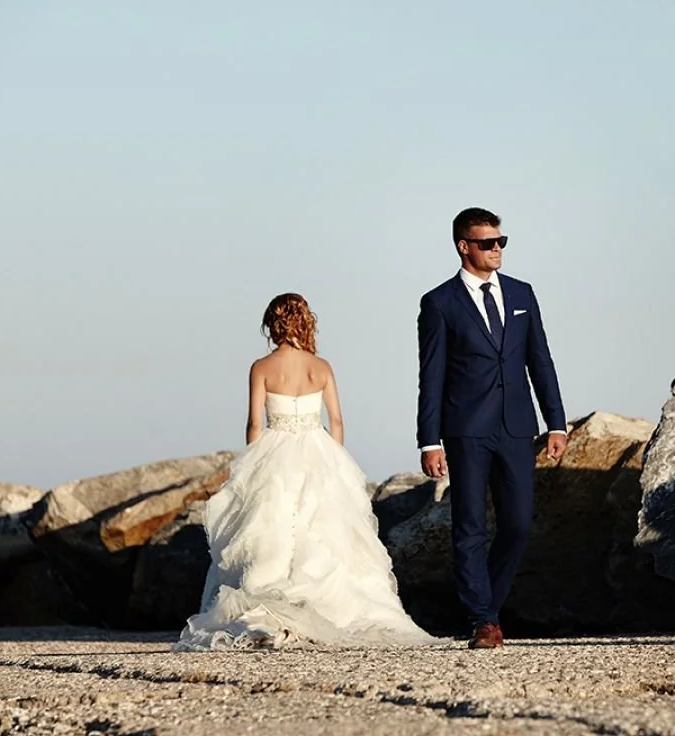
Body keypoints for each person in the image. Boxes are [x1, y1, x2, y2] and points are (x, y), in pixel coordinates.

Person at [176, 293, 439, 649]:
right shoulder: (322, 367)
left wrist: (253, 462)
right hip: (318, 449)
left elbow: (255, 423)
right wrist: (335, 461)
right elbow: (338, 422)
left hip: (276, 451)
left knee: (274, 531)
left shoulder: (262, 367)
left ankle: (274, 601)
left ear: (272, 324)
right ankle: (331, 610)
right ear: (305, 322)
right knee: (324, 533)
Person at [417, 208, 568, 649]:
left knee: (518, 525)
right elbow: (432, 375)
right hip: (465, 429)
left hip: (518, 426)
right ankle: (483, 619)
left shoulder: (523, 293)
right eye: (488, 243)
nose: (497, 249)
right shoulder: (439, 302)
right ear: (465, 246)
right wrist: (429, 440)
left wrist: (555, 421)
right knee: (468, 526)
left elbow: (540, 359)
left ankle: (488, 609)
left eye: (502, 242)